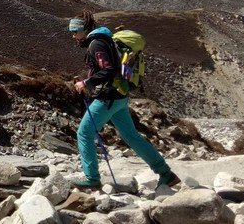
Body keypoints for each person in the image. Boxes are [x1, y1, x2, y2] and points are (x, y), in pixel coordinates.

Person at [68, 10, 180, 189]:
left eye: (74, 31)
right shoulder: (105, 39)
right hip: (119, 96)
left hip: (107, 98)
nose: (73, 36)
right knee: (132, 136)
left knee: (84, 133)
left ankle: (92, 178)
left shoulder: (96, 44)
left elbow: (108, 70)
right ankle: (165, 173)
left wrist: (85, 83)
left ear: (84, 29)